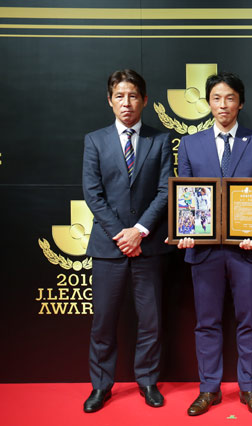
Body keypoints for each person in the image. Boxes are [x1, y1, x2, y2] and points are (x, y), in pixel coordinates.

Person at [176, 72, 252, 417]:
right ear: (208, 103)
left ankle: (250, 388)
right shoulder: (190, 144)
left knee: (251, 321)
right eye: (217, 98)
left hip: (246, 248)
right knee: (206, 322)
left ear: (241, 103)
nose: (223, 105)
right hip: (204, 249)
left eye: (230, 98)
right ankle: (209, 388)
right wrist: (187, 227)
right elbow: (185, 196)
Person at [82, 69, 172, 412]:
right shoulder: (95, 140)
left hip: (148, 246)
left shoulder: (160, 140)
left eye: (133, 96)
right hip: (109, 247)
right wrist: (122, 235)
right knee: (103, 322)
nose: (127, 102)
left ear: (144, 100)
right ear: (110, 100)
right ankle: (100, 386)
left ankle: (147, 381)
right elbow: (93, 194)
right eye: (119, 96)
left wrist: (140, 231)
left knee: (151, 321)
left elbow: (165, 191)